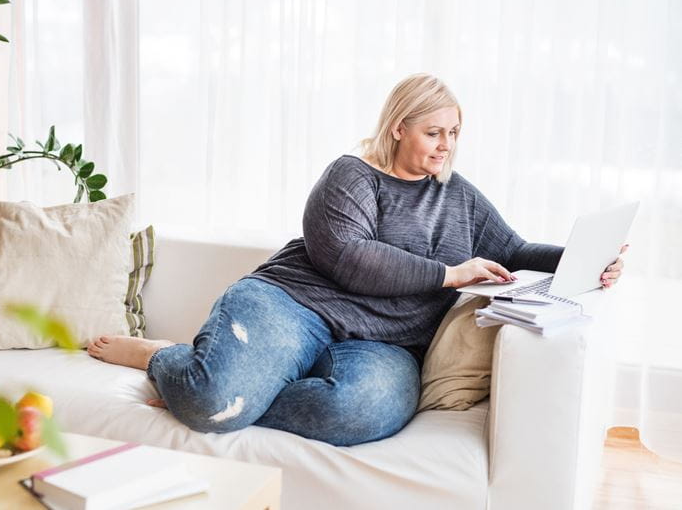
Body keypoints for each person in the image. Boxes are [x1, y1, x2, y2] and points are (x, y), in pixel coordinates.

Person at [88, 73, 627, 447]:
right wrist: (449, 274)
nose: (447, 146)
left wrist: (581, 258)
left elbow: (514, 251)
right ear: (399, 128)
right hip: (295, 304)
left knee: (365, 411)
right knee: (208, 405)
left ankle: (236, 391)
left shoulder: (458, 195)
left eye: (454, 133)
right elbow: (348, 256)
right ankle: (167, 361)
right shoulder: (352, 175)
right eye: (434, 132)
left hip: (385, 343)